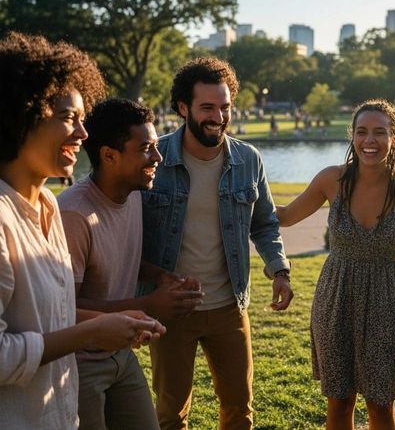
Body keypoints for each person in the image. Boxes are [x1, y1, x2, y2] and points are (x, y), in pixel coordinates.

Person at [0, 32, 164, 429]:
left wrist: (119, 324)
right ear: (22, 114)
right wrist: (91, 332)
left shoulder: (49, 205)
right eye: (68, 118)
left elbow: (54, 314)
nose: (83, 134)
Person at [140, 57, 293, 430]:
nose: (218, 116)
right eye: (207, 107)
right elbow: (127, 233)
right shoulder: (154, 159)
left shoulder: (248, 159)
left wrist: (280, 269)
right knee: (171, 416)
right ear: (182, 108)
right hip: (172, 310)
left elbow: (265, 223)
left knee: (240, 411)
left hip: (230, 307)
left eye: (225, 107)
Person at [276, 99, 395, 429]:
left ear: (394, 137)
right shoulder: (331, 179)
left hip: (387, 301)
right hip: (336, 298)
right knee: (339, 403)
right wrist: (239, 196)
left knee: (381, 404)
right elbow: (286, 217)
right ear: (352, 136)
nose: (370, 141)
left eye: (380, 132)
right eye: (362, 132)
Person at [58, 98, 203, 429]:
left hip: (121, 353)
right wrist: (149, 304)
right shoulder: (74, 215)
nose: (158, 157)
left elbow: (117, 259)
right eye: (146, 148)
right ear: (110, 155)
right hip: (79, 363)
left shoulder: (133, 194)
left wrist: (163, 277)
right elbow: (64, 306)